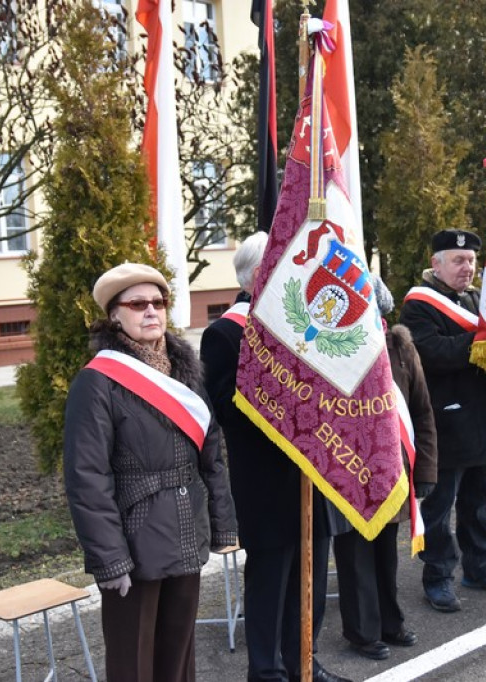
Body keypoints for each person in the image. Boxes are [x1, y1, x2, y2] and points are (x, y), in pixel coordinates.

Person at [63, 262, 238, 682]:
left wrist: (222, 525)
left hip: (187, 531)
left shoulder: (185, 372)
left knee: (178, 659)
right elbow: (87, 479)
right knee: (133, 664)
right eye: (137, 304)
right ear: (114, 315)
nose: (150, 311)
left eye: (158, 302)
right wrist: (110, 559)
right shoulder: (98, 382)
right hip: (135, 542)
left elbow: (211, 455)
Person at [199, 233, 353, 682]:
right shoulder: (224, 334)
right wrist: (284, 388)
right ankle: (267, 672)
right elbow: (226, 409)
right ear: (257, 274)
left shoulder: (302, 326)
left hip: (312, 472)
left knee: (310, 579)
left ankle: (304, 661)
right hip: (266, 481)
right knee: (271, 582)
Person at [399, 229, 486, 613]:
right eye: (458, 260)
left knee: (478, 504)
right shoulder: (419, 305)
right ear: (436, 264)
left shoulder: (476, 299)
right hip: (445, 425)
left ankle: (479, 567)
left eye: (471, 261)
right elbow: (434, 353)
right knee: (439, 510)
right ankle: (438, 577)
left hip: (483, 420)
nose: (467, 267)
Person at [333, 276, 437, 661]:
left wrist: (425, 471)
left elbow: (422, 412)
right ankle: (363, 632)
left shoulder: (399, 346)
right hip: (348, 468)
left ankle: (390, 623)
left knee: (385, 555)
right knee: (355, 554)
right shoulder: (336, 349)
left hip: (392, 470)